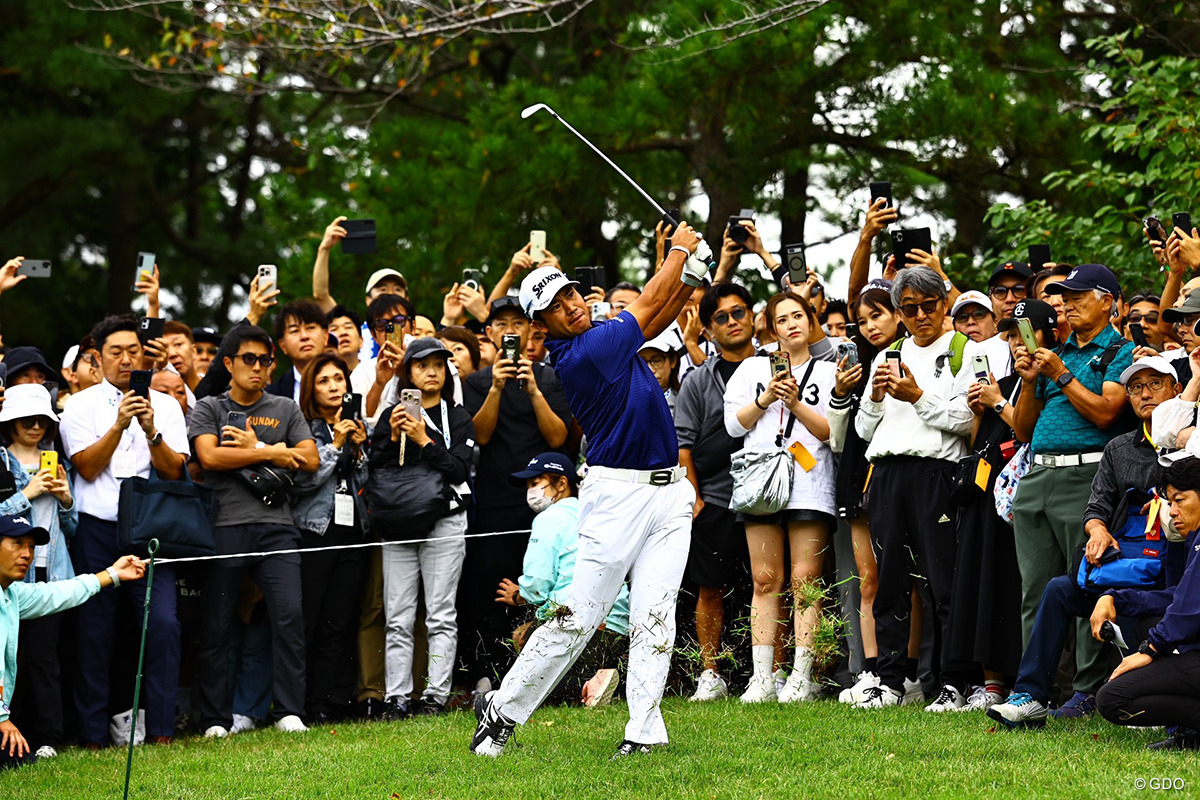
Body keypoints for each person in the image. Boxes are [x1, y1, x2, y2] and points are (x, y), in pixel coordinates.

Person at [470, 221, 703, 758]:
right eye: (554, 305)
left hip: (668, 492)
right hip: (616, 496)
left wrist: (690, 273)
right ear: (541, 326)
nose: (570, 305)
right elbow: (647, 306)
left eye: (570, 293)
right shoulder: (582, 354)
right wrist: (678, 251)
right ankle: (502, 710)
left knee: (654, 613)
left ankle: (643, 731)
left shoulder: (604, 336)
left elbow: (660, 314)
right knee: (578, 616)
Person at [989, 355, 1182, 729]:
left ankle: (1156, 697)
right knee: (1059, 590)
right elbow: (1097, 506)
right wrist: (1096, 528)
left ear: (1177, 389)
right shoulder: (1119, 448)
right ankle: (1030, 696)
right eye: (1136, 388)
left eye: (1156, 384)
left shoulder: (1192, 441)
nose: (1146, 394)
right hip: (1127, 569)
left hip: (1175, 576)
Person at [852, 267, 983, 710]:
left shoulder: (965, 349)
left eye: (930, 306)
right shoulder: (888, 352)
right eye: (910, 309)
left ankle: (953, 681)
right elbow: (863, 430)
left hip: (938, 474)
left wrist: (916, 396)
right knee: (889, 581)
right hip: (887, 474)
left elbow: (968, 422)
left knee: (943, 581)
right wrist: (872, 397)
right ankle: (890, 681)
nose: (921, 315)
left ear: (945, 304)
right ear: (899, 312)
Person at [1010, 264, 1135, 720]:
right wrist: (1029, 381)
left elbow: (1106, 413)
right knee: (1034, 592)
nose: (1069, 301)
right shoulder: (1053, 351)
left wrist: (1060, 373)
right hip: (1038, 476)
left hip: (1086, 475)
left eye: (1081, 294)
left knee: (1083, 582)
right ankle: (1034, 692)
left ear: (1109, 300)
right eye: (1067, 294)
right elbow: (1024, 429)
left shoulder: (1121, 351)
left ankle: (1085, 692)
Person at [59, 314, 189, 748]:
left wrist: (150, 428)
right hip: (96, 529)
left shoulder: (166, 405)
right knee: (94, 630)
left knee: (164, 624)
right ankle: (94, 735)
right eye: (116, 352)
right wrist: (119, 423)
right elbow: (87, 466)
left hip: (150, 529)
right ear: (97, 357)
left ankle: (162, 731)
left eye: (133, 351)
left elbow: (174, 472)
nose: (126, 359)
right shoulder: (78, 405)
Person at [190, 324, 319, 738]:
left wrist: (254, 449)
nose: (259, 367)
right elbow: (208, 457)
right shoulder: (208, 406)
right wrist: (276, 453)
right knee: (217, 624)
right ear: (228, 363)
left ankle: (289, 711)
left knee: (290, 616)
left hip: (278, 526)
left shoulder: (285, 407)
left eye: (265, 360)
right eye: (249, 359)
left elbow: (311, 459)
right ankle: (213, 719)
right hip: (225, 524)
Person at [724, 292, 837, 703]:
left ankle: (801, 676)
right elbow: (733, 426)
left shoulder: (827, 373)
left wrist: (794, 403)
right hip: (762, 481)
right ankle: (762, 676)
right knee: (764, 578)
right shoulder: (752, 368)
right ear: (771, 329)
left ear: (810, 322)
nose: (791, 324)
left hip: (810, 478)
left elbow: (830, 433)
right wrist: (765, 399)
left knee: (805, 578)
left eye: (798, 316)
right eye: (782, 319)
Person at [460, 295, 572, 691]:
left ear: (530, 330)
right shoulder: (474, 382)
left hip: (545, 502)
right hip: (494, 501)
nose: (509, 329)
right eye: (500, 323)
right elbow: (480, 435)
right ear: (488, 332)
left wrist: (533, 390)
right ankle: (487, 674)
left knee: (540, 584)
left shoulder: (549, 376)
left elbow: (558, 437)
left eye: (517, 322)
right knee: (491, 587)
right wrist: (495, 387)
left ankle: (539, 675)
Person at [951, 301, 1057, 712]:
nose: (1015, 343)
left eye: (1023, 334)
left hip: (1029, 495)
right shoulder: (1007, 379)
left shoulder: (1046, 378)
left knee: (1020, 585)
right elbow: (982, 440)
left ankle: (1024, 680)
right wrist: (983, 409)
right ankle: (989, 683)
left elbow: (1032, 432)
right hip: (989, 491)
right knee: (985, 581)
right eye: (1010, 335)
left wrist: (997, 403)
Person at [369, 338, 474, 717]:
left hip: (444, 521)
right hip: (397, 524)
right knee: (397, 615)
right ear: (407, 373)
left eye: (439, 365)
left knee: (441, 613)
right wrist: (394, 435)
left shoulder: (458, 416)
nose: (432, 371)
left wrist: (423, 440)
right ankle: (396, 697)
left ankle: (435, 696)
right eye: (422, 365)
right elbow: (375, 468)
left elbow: (460, 470)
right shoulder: (390, 416)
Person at [0, 513, 145, 769]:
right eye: (17, 544)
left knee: (20, 762)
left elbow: (59, 592)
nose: (27, 555)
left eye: (32, 547)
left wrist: (112, 574)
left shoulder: (12, 593)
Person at [675, 282, 756, 702]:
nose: (732, 322)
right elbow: (682, 443)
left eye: (738, 312)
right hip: (716, 496)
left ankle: (771, 673)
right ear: (707, 330)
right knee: (710, 588)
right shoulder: (695, 381)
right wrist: (696, 498)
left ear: (754, 316)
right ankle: (711, 674)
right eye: (721, 317)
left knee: (769, 585)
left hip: (769, 497)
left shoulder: (777, 368)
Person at [497, 452, 630, 707]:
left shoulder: (548, 518)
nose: (531, 491)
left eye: (537, 483)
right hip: (618, 625)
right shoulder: (594, 512)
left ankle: (589, 683)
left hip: (580, 624)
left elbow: (536, 587)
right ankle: (611, 673)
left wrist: (517, 595)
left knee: (522, 638)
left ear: (562, 484)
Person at [1095, 455, 1200, 750]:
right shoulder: (1194, 537)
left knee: (1112, 699)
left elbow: (1187, 608)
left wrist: (1150, 651)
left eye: (1180, 500)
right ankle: (1190, 731)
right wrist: (1114, 597)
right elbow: (1179, 596)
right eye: (1169, 503)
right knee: (1146, 624)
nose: (1173, 512)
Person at [292, 353, 369, 724]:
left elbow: (367, 482)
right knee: (310, 620)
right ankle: (301, 703)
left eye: (339, 378)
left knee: (341, 621)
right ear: (311, 388)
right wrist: (335, 444)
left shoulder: (357, 425)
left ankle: (331, 702)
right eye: (324, 380)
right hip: (314, 532)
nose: (334, 386)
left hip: (354, 532)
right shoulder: (302, 428)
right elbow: (302, 481)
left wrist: (360, 446)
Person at [0, 385, 76, 758]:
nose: (34, 426)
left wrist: (65, 498)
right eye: (26, 419)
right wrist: (25, 493)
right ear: (10, 422)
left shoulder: (55, 458)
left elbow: (73, 526)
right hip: (12, 576)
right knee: (10, 653)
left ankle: (48, 738)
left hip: (53, 569)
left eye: (42, 420)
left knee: (45, 656)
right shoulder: (2, 462)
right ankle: (14, 733)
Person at [267, 300, 329, 403]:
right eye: (295, 331)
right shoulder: (272, 395)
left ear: (326, 336)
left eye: (310, 328)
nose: (304, 336)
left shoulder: (349, 381)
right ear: (283, 346)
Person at [951, 289, 1011, 379]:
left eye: (979, 314)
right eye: (962, 317)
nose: (970, 322)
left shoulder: (1012, 351)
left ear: (996, 323)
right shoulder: (945, 356)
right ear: (954, 327)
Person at [638, 333, 681, 417]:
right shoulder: (626, 403)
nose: (650, 370)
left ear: (673, 361)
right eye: (642, 363)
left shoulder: (687, 400)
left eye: (657, 360)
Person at [161, 321, 201, 396]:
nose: (172, 354)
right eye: (164, 348)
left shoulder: (217, 388)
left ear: (194, 351)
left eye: (178, 344)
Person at [326, 306, 365, 374]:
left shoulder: (375, 374)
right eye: (334, 329)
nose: (343, 333)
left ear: (361, 341)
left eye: (348, 327)